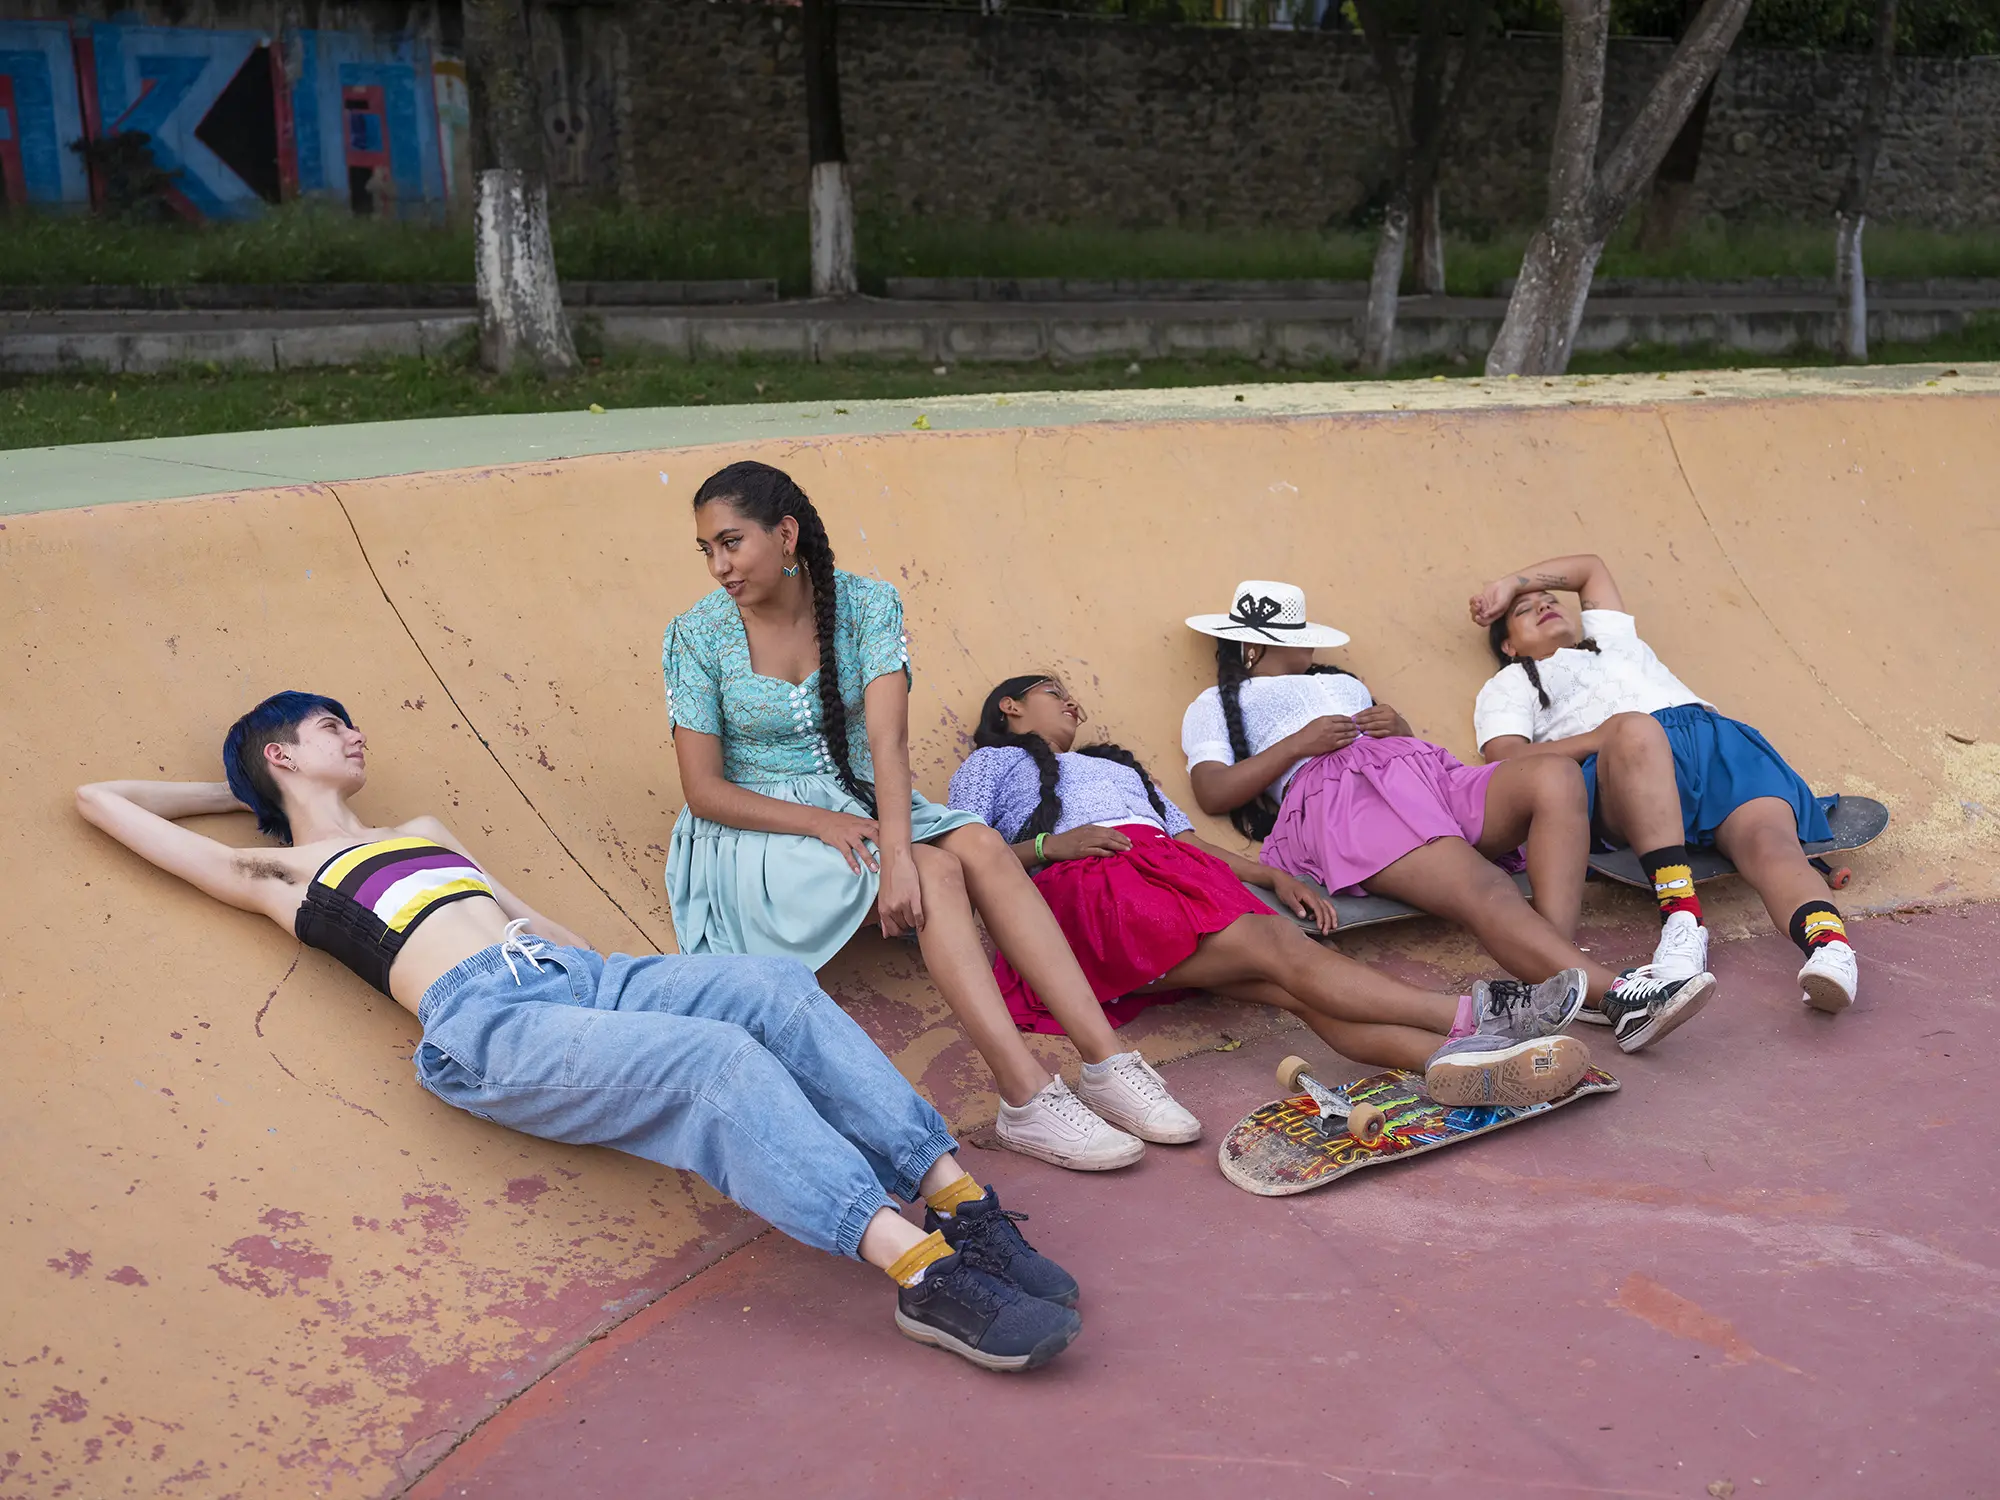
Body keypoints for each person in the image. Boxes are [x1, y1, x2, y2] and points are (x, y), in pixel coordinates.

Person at [75, 691, 1082, 1373]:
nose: (357, 738)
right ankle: (919, 1276)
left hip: (582, 978)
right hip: (487, 1023)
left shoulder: (420, 834)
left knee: (768, 992)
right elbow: (100, 799)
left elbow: (535, 921)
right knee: (716, 1062)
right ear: (280, 751)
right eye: (328, 727)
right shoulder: (284, 878)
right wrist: (240, 791)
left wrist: (628, 985)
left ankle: (959, 1203)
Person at [663, 461, 1197, 1172]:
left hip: (862, 795)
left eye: (731, 543)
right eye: (707, 549)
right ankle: (1026, 1098)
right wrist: (843, 835)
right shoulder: (696, 636)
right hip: (760, 829)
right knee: (941, 873)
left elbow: (888, 743)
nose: (718, 566)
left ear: (785, 534)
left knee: (979, 842)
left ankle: (1106, 1062)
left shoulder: (866, 606)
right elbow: (704, 790)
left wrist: (893, 849)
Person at [947, 675, 1597, 1107]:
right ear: (1010, 705)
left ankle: (1467, 1070)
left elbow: (1188, 842)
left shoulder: (1112, 767)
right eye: (1054, 692)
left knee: (1298, 992)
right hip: (1090, 892)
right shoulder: (990, 764)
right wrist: (1045, 846)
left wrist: (1273, 875)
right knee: (1278, 948)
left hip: (1169, 879)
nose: (1073, 704)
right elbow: (960, 856)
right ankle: (1484, 1015)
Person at [1183, 580, 1714, 1054]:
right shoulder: (1215, 703)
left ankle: (1556, 979)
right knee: (1481, 885)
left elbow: (1399, 749)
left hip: (1428, 777)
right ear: (1251, 644)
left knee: (1554, 776)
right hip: (1350, 802)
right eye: (1294, 637)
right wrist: (1301, 744)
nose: (1310, 644)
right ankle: (1618, 997)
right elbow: (1212, 790)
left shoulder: (1339, 681)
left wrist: (1399, 724)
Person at [1471, 552, 1859, 1017]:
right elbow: (1505, 757)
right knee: (1636, 730)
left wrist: (1512, 583)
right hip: (1624, 768)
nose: (1542, 606)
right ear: (1509, 646)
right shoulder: (1512, 682)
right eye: (1522, 610)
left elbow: (1590, 568)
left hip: (1711, 743)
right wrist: (1603, 735)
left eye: (1548, 599)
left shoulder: (1612, 640)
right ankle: (1682, 921)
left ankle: (1830, 950)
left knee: (1770, 843)